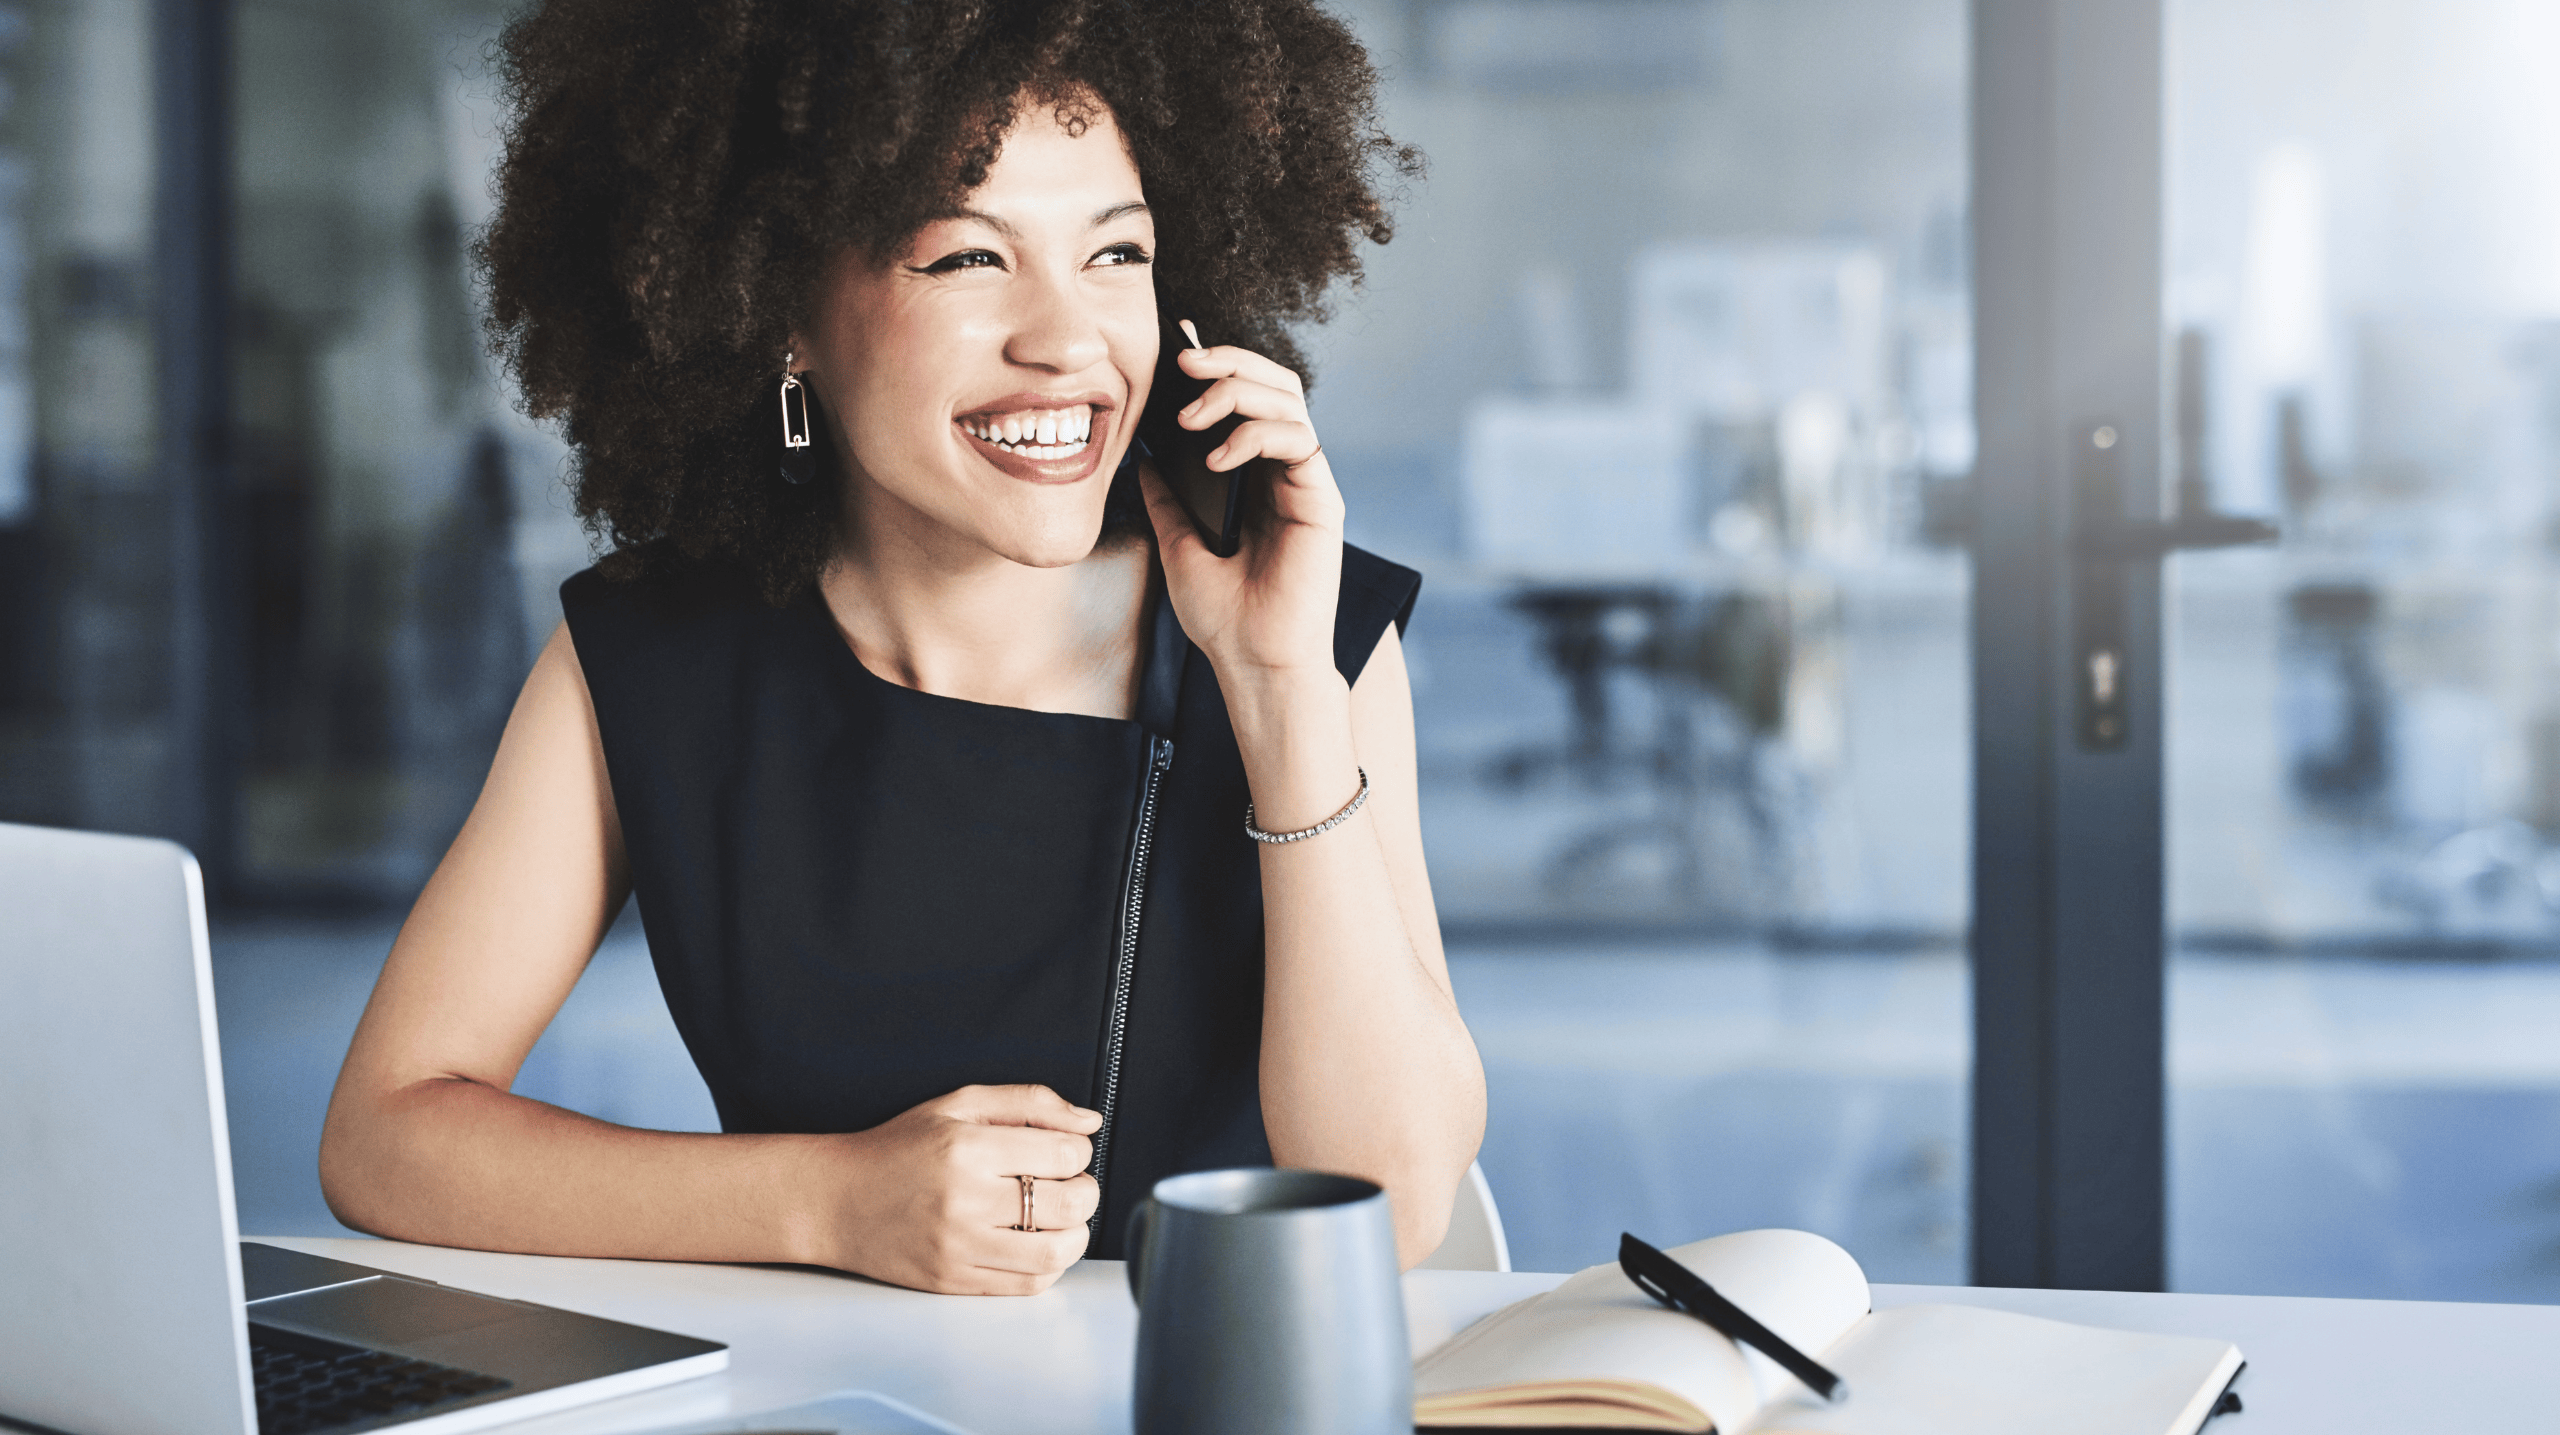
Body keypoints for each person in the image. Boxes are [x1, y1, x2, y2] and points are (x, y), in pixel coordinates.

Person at [318, 0, 1486, 1297]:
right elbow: (386, 1130)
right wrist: (831, 1199)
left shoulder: (1302, 629)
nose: (1067, 340)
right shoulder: (652, 661)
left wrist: (1278, 702)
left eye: (1116, 254)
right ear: (780, 311)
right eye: (966, 259)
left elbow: (1394, 1210)